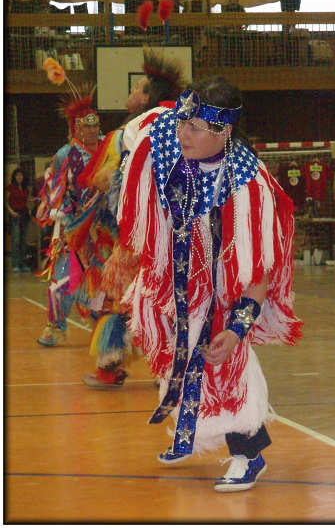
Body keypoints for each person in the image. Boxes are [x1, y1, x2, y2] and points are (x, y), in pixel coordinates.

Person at [117, 76, 302, 492]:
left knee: (223, 359)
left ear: (225, 131)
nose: (184, 132)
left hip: (223, 287)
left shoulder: (248, 187)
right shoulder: (169, 140)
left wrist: (237, 330)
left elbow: (257, 270)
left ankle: (249, 452)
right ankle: (188, 435)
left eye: (196, 127)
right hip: (177, 278)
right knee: (177, 357)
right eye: (183, 121)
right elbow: (139, 131)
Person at [77, 48, 185, 388]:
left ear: (147, 97)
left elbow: (108, 181)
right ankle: (170, 370)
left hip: (139, 233)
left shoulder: (133, 128)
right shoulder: (188, 119)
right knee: (171, 298)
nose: (132, 92)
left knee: (122, 299)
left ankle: (108, 368)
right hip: (180, 230)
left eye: (137, 87)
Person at [36, 91, 103, 346]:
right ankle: (55, 325)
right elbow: (55, 187)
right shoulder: (67, 154)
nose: (92, 131)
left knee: (102, 277)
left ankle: (103, 320)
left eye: (95, 125)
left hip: (103, 227)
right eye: (87, 126)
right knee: (62, 277)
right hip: (73, 227)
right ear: (76, 128)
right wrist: (62, 214)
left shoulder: (108, 147)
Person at [6, 167, 31, 273]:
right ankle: (15, 264)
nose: (19, 177)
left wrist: (29, 210)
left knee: (24, 240)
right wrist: (11, 212)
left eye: (21, 175)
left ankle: (23, 264)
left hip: (24, 214)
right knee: (16, 240)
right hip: (15, 214)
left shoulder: (25, 188)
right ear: (14, 177)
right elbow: (5, 201)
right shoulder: (10, 188)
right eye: (17, 175)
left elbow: (28, 201)